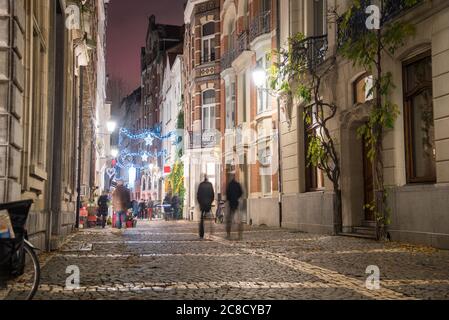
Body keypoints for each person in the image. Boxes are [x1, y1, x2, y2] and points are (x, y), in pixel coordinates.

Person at [225, 173, 244, 240]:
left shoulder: (229, 185)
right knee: (239, 221)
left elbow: (227, 195)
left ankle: (228, 234)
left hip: (231, 204)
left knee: (229, 220)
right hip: (237, 203)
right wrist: (237, 197)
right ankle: (240, 235)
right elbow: (241, 192)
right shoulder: (237, 184)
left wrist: (229, 200)